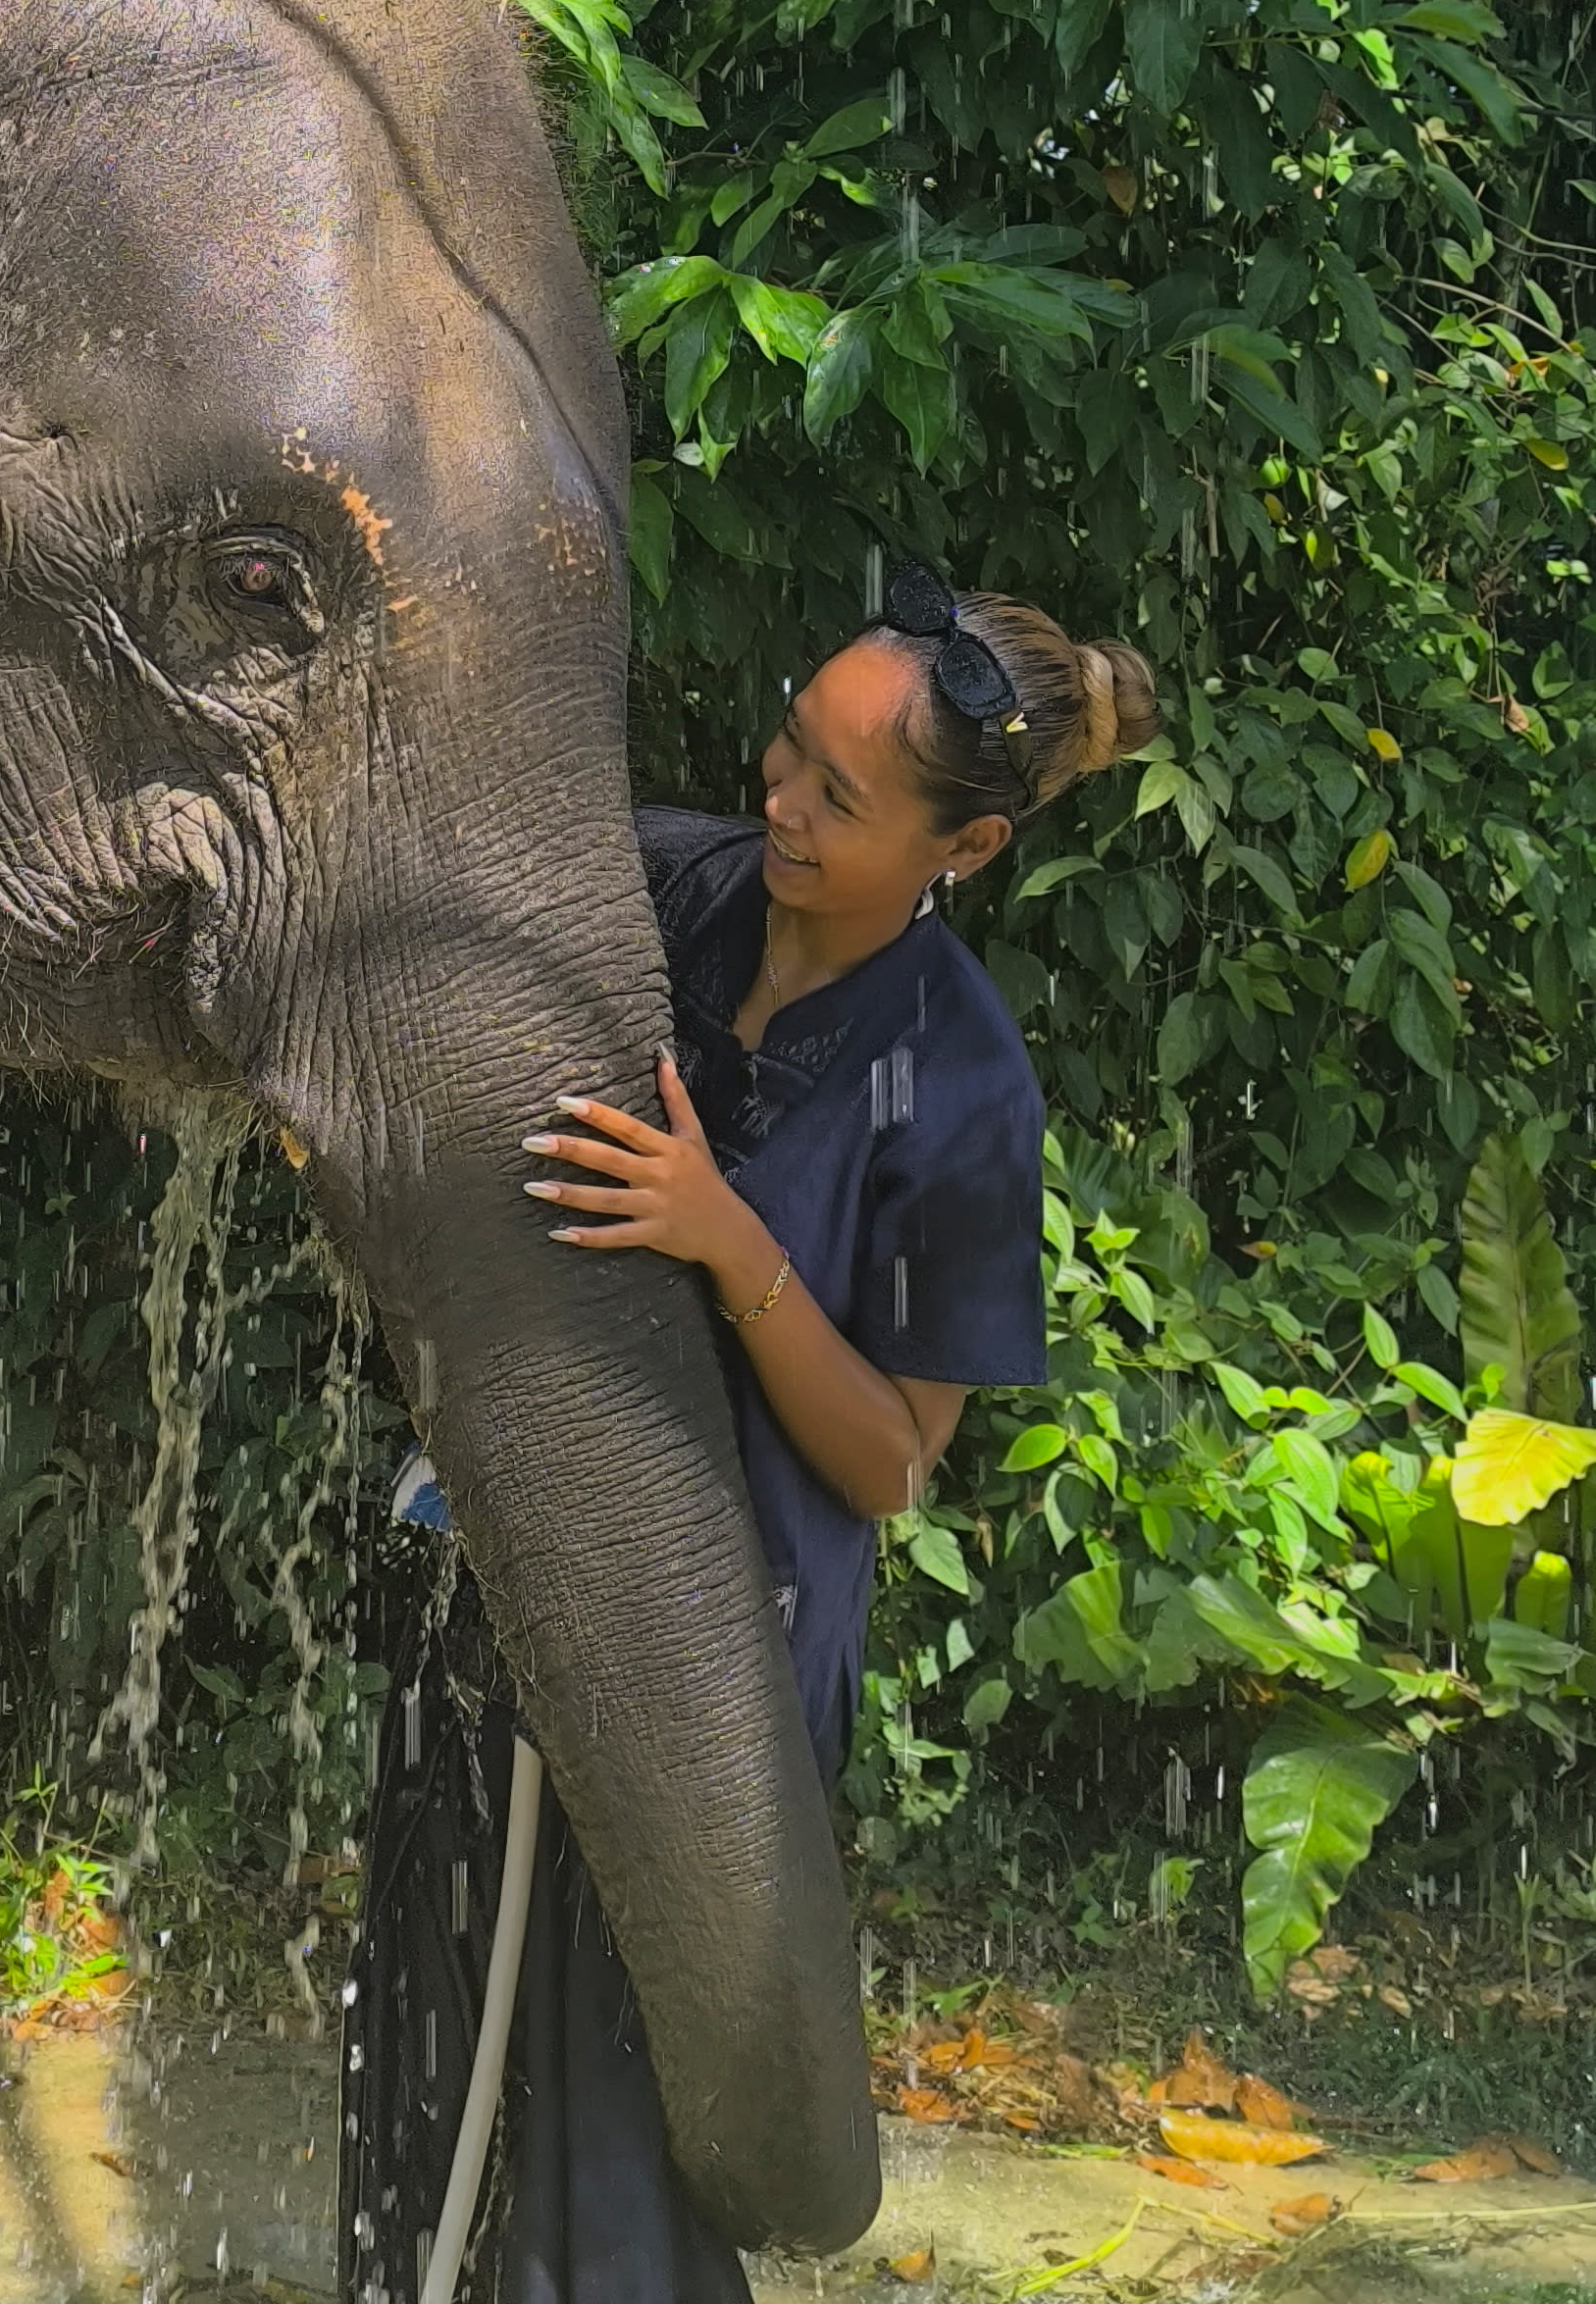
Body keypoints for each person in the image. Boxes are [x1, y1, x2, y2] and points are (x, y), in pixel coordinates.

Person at [339, 562, 1160, 2303]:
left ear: (964, 851)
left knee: (618, 2130)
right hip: (493, 1560)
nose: (777, 800)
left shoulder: (962, 1086)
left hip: (717, 1667)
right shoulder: (670, 885)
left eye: (834, 795)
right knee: (428, 2034)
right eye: (787, 752)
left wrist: (728, 1243)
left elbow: (890, 1463)